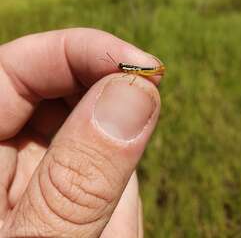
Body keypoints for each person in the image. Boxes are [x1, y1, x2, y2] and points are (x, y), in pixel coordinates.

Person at [0, 28, 162, 237]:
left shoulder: (132, 71)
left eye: (122, 66)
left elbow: (133, 74)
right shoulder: (123, 69)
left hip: (145, 71)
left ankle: (157, 71)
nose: (121, 67)